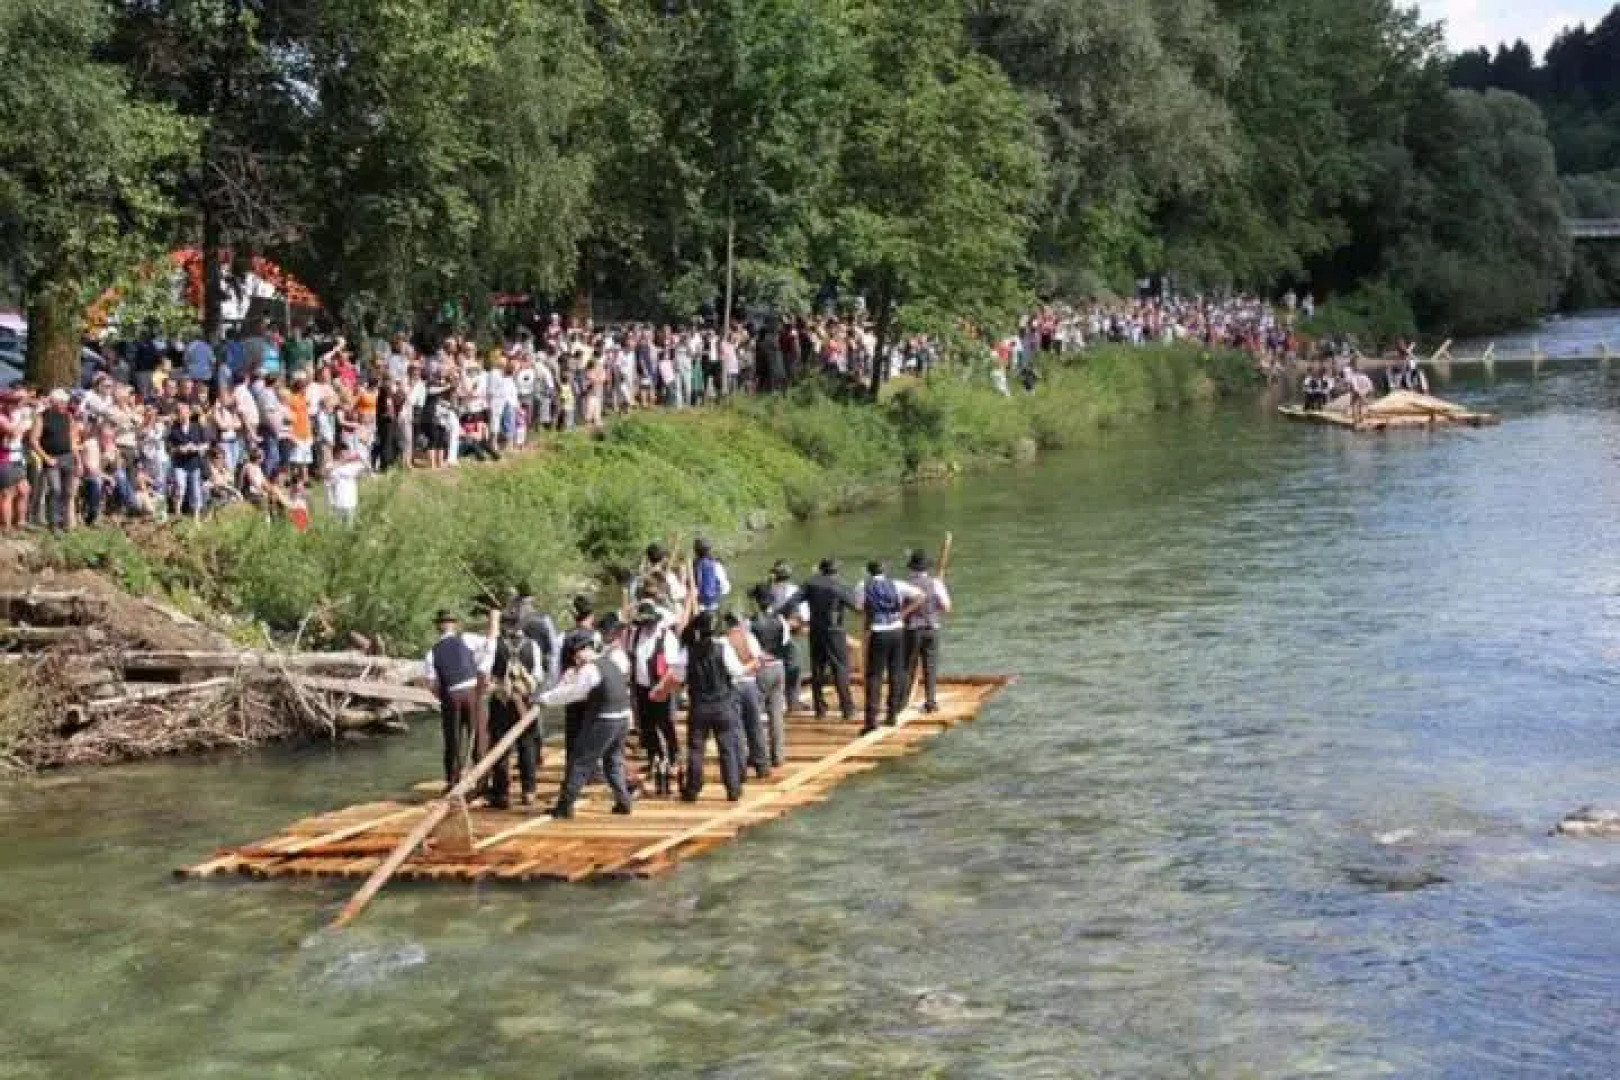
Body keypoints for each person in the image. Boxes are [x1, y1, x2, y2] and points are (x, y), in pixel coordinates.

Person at [539, 613, 634, 818]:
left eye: (577, 653)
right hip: (623, 718)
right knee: (613, 760)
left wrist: (545, 699)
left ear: (585, 649)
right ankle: (624, 801)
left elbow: (573, 693)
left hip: (605, 720)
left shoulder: (591, 669)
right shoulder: (611, 662)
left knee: (580, 760)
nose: (575, 658)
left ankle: (564, 806)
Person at [656, 610, 746, 802]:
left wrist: (663, 690)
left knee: (696, 750)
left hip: (699, 706)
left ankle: (693, 789)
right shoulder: (723, 648)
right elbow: (737, 672)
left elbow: (678, 677)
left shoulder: (688, 651)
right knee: (727, 748)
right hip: (723, 704)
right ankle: (733, 789)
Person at [775, 557, 863, 721]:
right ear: (835, 571)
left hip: (816, 630)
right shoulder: (839, 585)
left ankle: (820, 709)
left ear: (821, 570)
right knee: (840, 669)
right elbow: (857, 607)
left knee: (817, 669)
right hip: (835, 630)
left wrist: (781, 617)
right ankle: (847, 708)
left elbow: (791, 603)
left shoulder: (810, 583)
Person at [420, 609, 494, 789]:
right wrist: (483, 673)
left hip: (451, 694)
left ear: (438, 627)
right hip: (471, 691)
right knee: (479, 737)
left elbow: (432, 684)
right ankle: (482, 781)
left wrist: (444, 697)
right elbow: (491, 646)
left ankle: (453, 782)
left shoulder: (432, 652)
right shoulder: (467, 638)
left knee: (453, 739)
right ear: (454, 625)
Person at [487, 612, 545, 810]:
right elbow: (537, 676)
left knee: (500, 746)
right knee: (527, 746)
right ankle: (529, 792)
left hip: (501, 703)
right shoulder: (533, 645)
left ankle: (501, 794)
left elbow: (485, 672)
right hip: (525, 703)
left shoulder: (495, 645)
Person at [628, 597, 681, 795]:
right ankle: (654, 758)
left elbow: (673, 667)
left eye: (650, 623)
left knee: (665, 723)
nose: (647, 627)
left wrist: (662, 686)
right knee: (647, 726)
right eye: (644, 623)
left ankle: (673, 757)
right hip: (640, 688)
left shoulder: (666, 638)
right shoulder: (634, 636)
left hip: (661, 686)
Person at [903, 549, 952, 714]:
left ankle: (902, 702)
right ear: (927, 568)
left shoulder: (905, 584)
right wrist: (934, 606)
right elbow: (947, 608)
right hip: (932, 628)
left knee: (908, 666)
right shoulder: (936, 583)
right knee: (930, 667)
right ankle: (930, 702)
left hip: (911, 630)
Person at [746, 587, 790, 769]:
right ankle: (778, 755)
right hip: (778, 667)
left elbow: (748, 648)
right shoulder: (781, 620)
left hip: (760, 668)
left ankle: (758, 755)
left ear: (756, 602)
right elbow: (785, 643)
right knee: (776, 714)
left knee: (755, 715)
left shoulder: (750, 623)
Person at [722, 611, 770, 779]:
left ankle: (740, 770)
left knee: (737, 729)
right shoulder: (748, 637)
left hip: (733, 686)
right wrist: (753, 666)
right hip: (750, 684)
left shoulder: (723, 641)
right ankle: (762, 765)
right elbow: (759, 660)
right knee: (755, 725)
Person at [556, 594, 600, 779]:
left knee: (573, 731)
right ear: (591, 615)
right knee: (591, 730)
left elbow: (560, 666)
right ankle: (590, 770)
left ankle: (572, 770)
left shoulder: (565, 637)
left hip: (571, 689)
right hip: (591, 690)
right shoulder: (596, 636)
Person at [691, 537, 730, 613]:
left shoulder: (696, 564)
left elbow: (698, 582)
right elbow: (724, 584)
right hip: (714, 599)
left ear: (695, 551)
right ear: (709, 550)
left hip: (700, 601)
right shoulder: (714, 563)